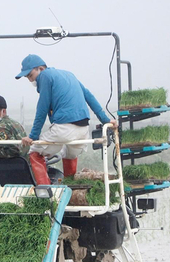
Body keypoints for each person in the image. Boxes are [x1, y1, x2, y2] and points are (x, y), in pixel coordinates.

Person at [16, 54, 117, 185]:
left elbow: (42, 108)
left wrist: (33, 136)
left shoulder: (45, 76)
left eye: (30, 75)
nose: (30, 80)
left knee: (34, 151)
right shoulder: (69, 75)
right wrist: (106, 121)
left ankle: (45, 194)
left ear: (40, 68)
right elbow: (89, 97)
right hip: (83, 129)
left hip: (64, 128)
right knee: (69, 155)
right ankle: (69, 191)